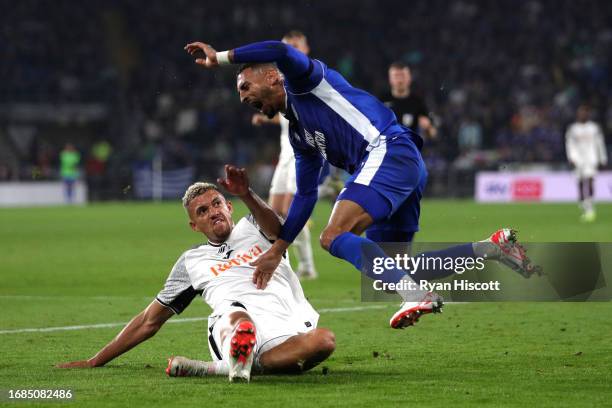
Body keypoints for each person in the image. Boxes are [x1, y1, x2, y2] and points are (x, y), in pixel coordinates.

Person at [184, 40, 538, 329]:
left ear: (274, 78)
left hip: (387, 151)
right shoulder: (299, 134)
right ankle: (491, 249)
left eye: (245, 85)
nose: (243, 95)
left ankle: (416, 295)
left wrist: (221, 58)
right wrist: (277, 249)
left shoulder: (306, 82)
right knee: (395, 267)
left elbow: (279, 48)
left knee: (332, 237)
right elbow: (306, 194)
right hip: (399, 164)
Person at [57, 165, 336, 382]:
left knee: (325, 341)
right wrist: (96, 360)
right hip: (232, 327)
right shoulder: (191, 261)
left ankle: (229, 367)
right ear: (194, 225)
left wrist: (246, 194)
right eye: (202, 211)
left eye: (217, 204)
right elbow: (149, 321)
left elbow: (279, 230)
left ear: (229, 207)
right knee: (237, 317)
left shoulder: (255, 225)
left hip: (284, 325)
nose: (213, 212)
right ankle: (237, 353)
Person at [251, 30, 317, 279]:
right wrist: (266, 117)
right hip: (286, 154)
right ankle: (287, 262)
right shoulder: (280, 79)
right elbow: (288, 113)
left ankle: (307, 266)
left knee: (291, 211)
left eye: (296, 46)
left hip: (303, 153)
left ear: (306, 48)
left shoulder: (308, 77)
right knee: (274, 212)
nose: (292, 51)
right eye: (287, 47)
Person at [565, 105, 608, 222]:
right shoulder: (573, 129)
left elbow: (600, 143)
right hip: (578, 160)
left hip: (591, 158)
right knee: (579, 182)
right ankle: (583, 203)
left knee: (590, 180)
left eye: (585, 112)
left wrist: (603, 158)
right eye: (580, 112)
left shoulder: (594, 128)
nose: (582, 114)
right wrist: (571, 157)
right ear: (578, 114)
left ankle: (590, 205)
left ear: (588, 114)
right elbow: (569, 144)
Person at [381, 62, 437, 140]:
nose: (400, 80)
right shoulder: (381, 101)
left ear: (409, 78)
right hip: (387, 149)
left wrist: (427, 127)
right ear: (390, 79)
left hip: (409, 149)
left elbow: (433, 134)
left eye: (403, 76)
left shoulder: (418, 102)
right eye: (396, 76)